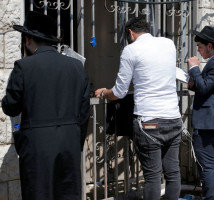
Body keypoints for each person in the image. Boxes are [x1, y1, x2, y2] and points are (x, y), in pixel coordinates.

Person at [1, 11, 90, 200]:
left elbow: (11, 107)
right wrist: (76, 140)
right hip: (69, 142)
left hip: (37, 146)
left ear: (27, 40)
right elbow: (84, 112)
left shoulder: (23, 67)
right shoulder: (76, 67)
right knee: (67, 194)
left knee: (38, 194)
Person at [94, 17, 182, 200]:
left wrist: (103, 93)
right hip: (173, 118)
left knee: (152, 178)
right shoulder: (168, 44)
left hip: (149, 122)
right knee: (173, 174)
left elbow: (119, 91)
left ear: (131, 33)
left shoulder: (131, 50)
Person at [187, 26, 214, 200]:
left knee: (207, 165)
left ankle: (213, 197)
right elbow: (205, 86)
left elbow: (204, 88)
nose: (198, 50)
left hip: (208, 121)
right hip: (210, 119)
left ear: (210, 45)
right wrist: (192, 82)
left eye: (200, 46)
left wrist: (194, 69)